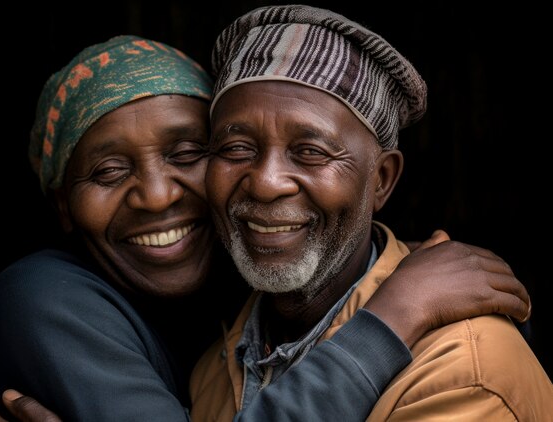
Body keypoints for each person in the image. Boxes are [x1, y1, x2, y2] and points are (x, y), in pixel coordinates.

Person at [0, 29, 534, 422]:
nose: (154, 196)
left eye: (186, 153)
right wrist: (393, 316)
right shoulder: (42, 302)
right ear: (62, 207)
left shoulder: (459, 369)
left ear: (380, 180)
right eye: (106, 170)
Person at [186, 4, 553, 421]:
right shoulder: (214, 371)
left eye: (311, 152)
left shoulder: (461, 372)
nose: (266, 182)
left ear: (381, 180)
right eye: (236, 149)